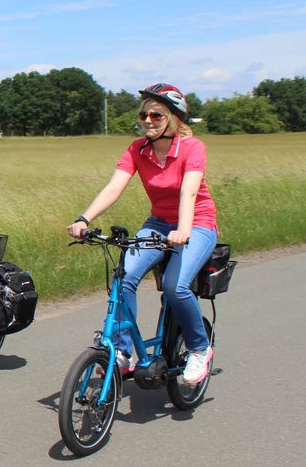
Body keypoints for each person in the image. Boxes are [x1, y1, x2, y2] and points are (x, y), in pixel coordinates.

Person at [67, 83, 218, 384]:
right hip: (159, 223)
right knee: (124, 277)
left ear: (174, 118)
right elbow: (114, 188)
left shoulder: (192, 148)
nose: (148, 120)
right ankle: (122, 353)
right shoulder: (137, 149)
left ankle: (200, 349)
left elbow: (189, 193)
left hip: (197, 223)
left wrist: (183, 231)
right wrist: (84, 219)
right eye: (144, 114)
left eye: (156, 115)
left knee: (176, 287)